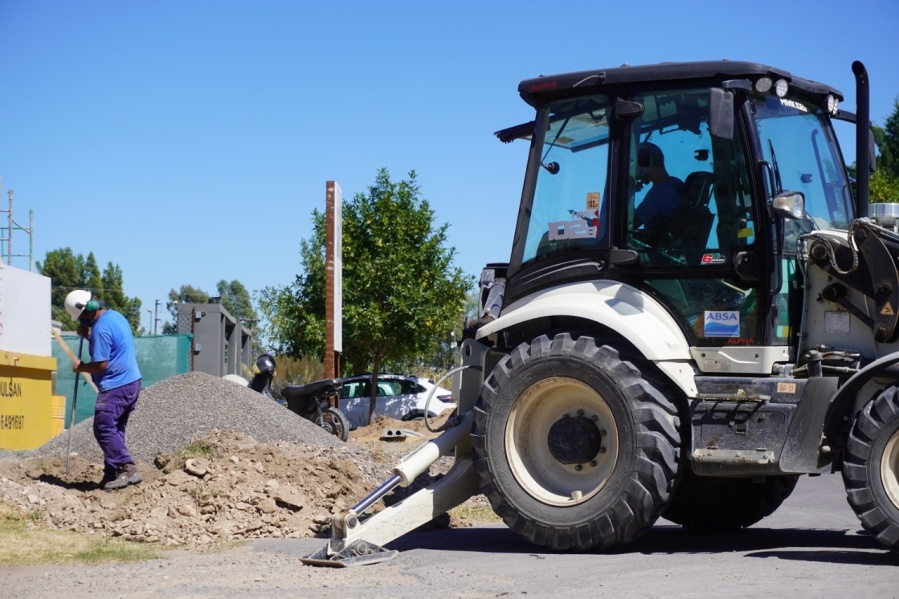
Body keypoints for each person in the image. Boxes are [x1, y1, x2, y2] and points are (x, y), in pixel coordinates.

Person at [64, 290, 143, 490]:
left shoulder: (100, 328)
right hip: (131, 382)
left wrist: (81, 367)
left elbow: (101, 364)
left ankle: (127, 468)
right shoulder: (115, 317)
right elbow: (110, 347)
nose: (83, 320)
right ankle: (112, 472)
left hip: (116, 386)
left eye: (82, 317)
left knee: (103, 427)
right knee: (115, 430)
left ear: (88, 310)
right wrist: (89, 336)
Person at [633, 141, 685, 230]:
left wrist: (626, 193)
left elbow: (630, 225)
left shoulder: (658, 194)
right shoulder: (676, 183)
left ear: (647, 161)